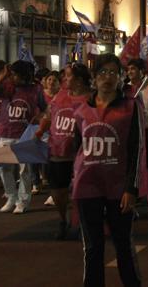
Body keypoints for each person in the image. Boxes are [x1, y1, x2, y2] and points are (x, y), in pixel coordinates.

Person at [73, 54, 146, 287]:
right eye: (103, 72)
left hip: (119, 189)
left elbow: (137, 149)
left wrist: (131, 188)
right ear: (94, 78)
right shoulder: (81, 111)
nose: (108, 77)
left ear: (120, 77)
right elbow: (78, 150)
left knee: (123, 245)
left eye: (113, 73)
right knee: (92, 247)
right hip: (87, 187)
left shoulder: (130, 107)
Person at [35, 63, 92, 239]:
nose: (64, 79)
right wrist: (39, 132)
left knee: (84, 192)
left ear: (80, 80)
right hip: (58, 151)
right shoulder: (60, 95)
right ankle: (63, 220)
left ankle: (85, 223)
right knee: (58, 191)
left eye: (68, 76)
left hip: (82, 154)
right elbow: (48, 115)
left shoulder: (91, 98)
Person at [0, 60, 46, 214]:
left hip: (24, 134)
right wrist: (2, 76)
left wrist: (39, 117)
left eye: (15, 74)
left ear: (25, 75)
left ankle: (23, 201)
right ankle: (11, 196)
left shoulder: (36, 89)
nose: (12, 77)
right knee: (3, 167)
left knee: (24, 170)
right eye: (11, 74)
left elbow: (46, 109)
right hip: (5, 132)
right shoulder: (8, 87)